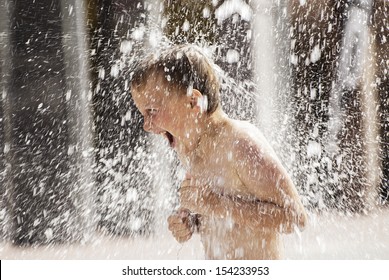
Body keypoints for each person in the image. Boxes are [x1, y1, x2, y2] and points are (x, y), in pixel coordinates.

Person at [131, 44, 307, 260]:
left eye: (152, 111)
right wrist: (191, 219)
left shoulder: (240, 144)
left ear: (193, 101)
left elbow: (295, 217)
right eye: (143, 114)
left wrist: (214, 204)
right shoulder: (188, 147)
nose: (147, 125)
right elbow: (221, 210)